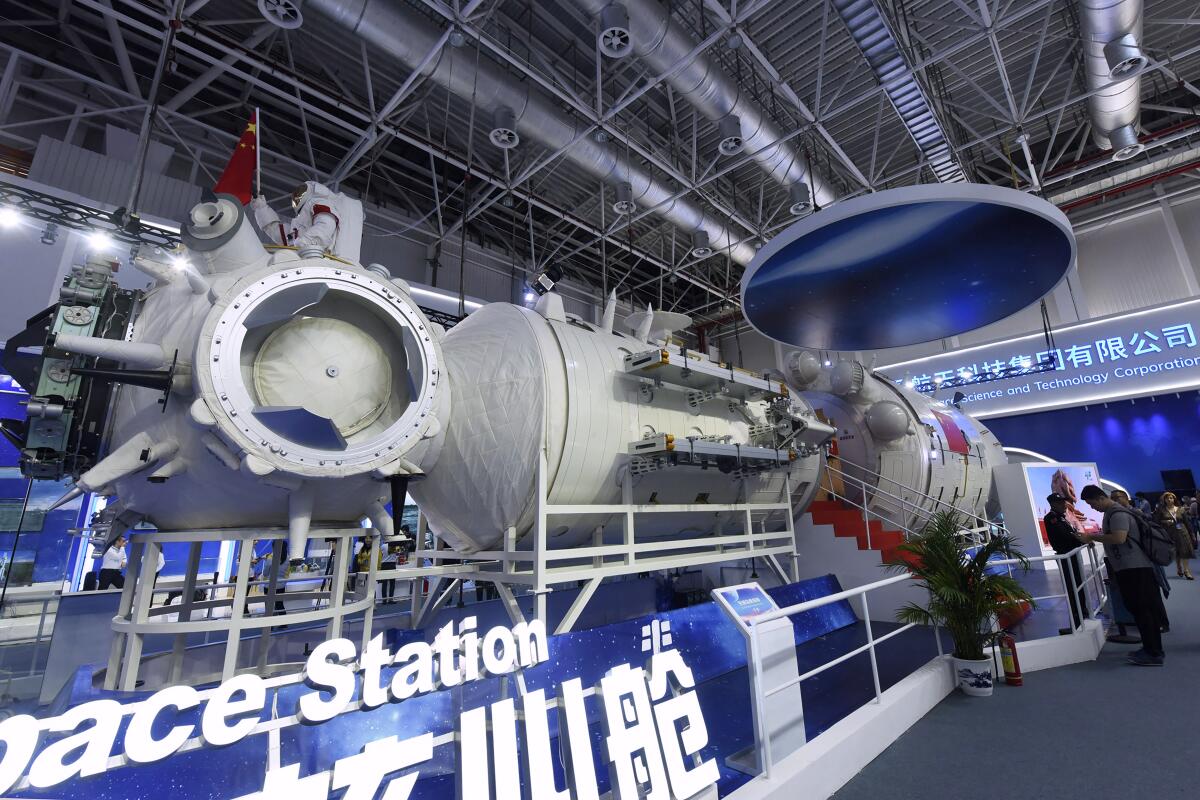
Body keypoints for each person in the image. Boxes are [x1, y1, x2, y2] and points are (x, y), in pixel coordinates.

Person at [1080, 484, 1164, 665]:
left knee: (1142, 609)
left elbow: (1119, 538)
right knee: (1141, 609)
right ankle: (1151, 649)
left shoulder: (1117, 513)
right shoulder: (1113, 513)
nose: (1092, 507)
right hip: (1131, 567)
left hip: (1134, 568)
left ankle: (1153, 652)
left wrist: (1092, 537)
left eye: (1092, 503)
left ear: (1100, 498)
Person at [250, 181, 364, 263]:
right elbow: (283, 236)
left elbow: (326, 225)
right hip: (311, 259)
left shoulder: (318, 202)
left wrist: (303, 243)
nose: (297, 196)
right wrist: (261, 209)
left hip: (321, 259)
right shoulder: (303, 221)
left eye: (301, 193)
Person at [1111, 489, 1170, 633]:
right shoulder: (1123, 514)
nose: (1114, 500)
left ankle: (1162, 622)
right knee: (1147, 593)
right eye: (1112, 498)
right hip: (1138, 559)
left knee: (1153, 592)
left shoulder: (1135, 513)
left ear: (1125, 498)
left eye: (1116, 497)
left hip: (1146, 558)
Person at [1044, 493, 1088, 632]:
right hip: (1065, 555)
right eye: (1060, 503)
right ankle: (1077, 614)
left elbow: (1071, 533)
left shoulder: (1062, 517)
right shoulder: (1052, 518)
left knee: (1079, 583)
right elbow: (1064, 536)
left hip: (1072, 554)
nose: (1064, 505)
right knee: (1072, 584)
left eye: (1063, 502)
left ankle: (1083, 611)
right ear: (1052, 504)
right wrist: (1080, 540)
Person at [1154, 491, 1195, 579]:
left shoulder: (1181, 509)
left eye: (1171, 498)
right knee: (1176, 551)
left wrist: (1192, 533)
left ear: (1174, 499)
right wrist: (1164, 521)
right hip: (1170, 533)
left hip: (1183, 532)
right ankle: (1179, 567)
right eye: (1167, 498)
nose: (1169, 500)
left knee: (1185, 551)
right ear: (1164, 500)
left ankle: (1186, 571)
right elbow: (1156, 522)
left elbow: (1187, 522)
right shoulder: (1161, 510)